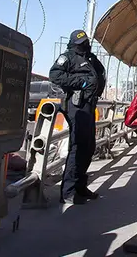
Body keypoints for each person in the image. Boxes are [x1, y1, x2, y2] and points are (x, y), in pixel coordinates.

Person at [50, 29, 107, 205]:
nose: (85, 46)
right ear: (76, 43)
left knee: (88, 147)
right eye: (82, 43)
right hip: (76, 107)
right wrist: (81, 83)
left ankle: (80, 186)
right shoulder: (68, 57)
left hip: (89, 106)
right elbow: (55, 75)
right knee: (78, 147)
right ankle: (68, 191)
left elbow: (99, 74)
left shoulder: (89, 58)